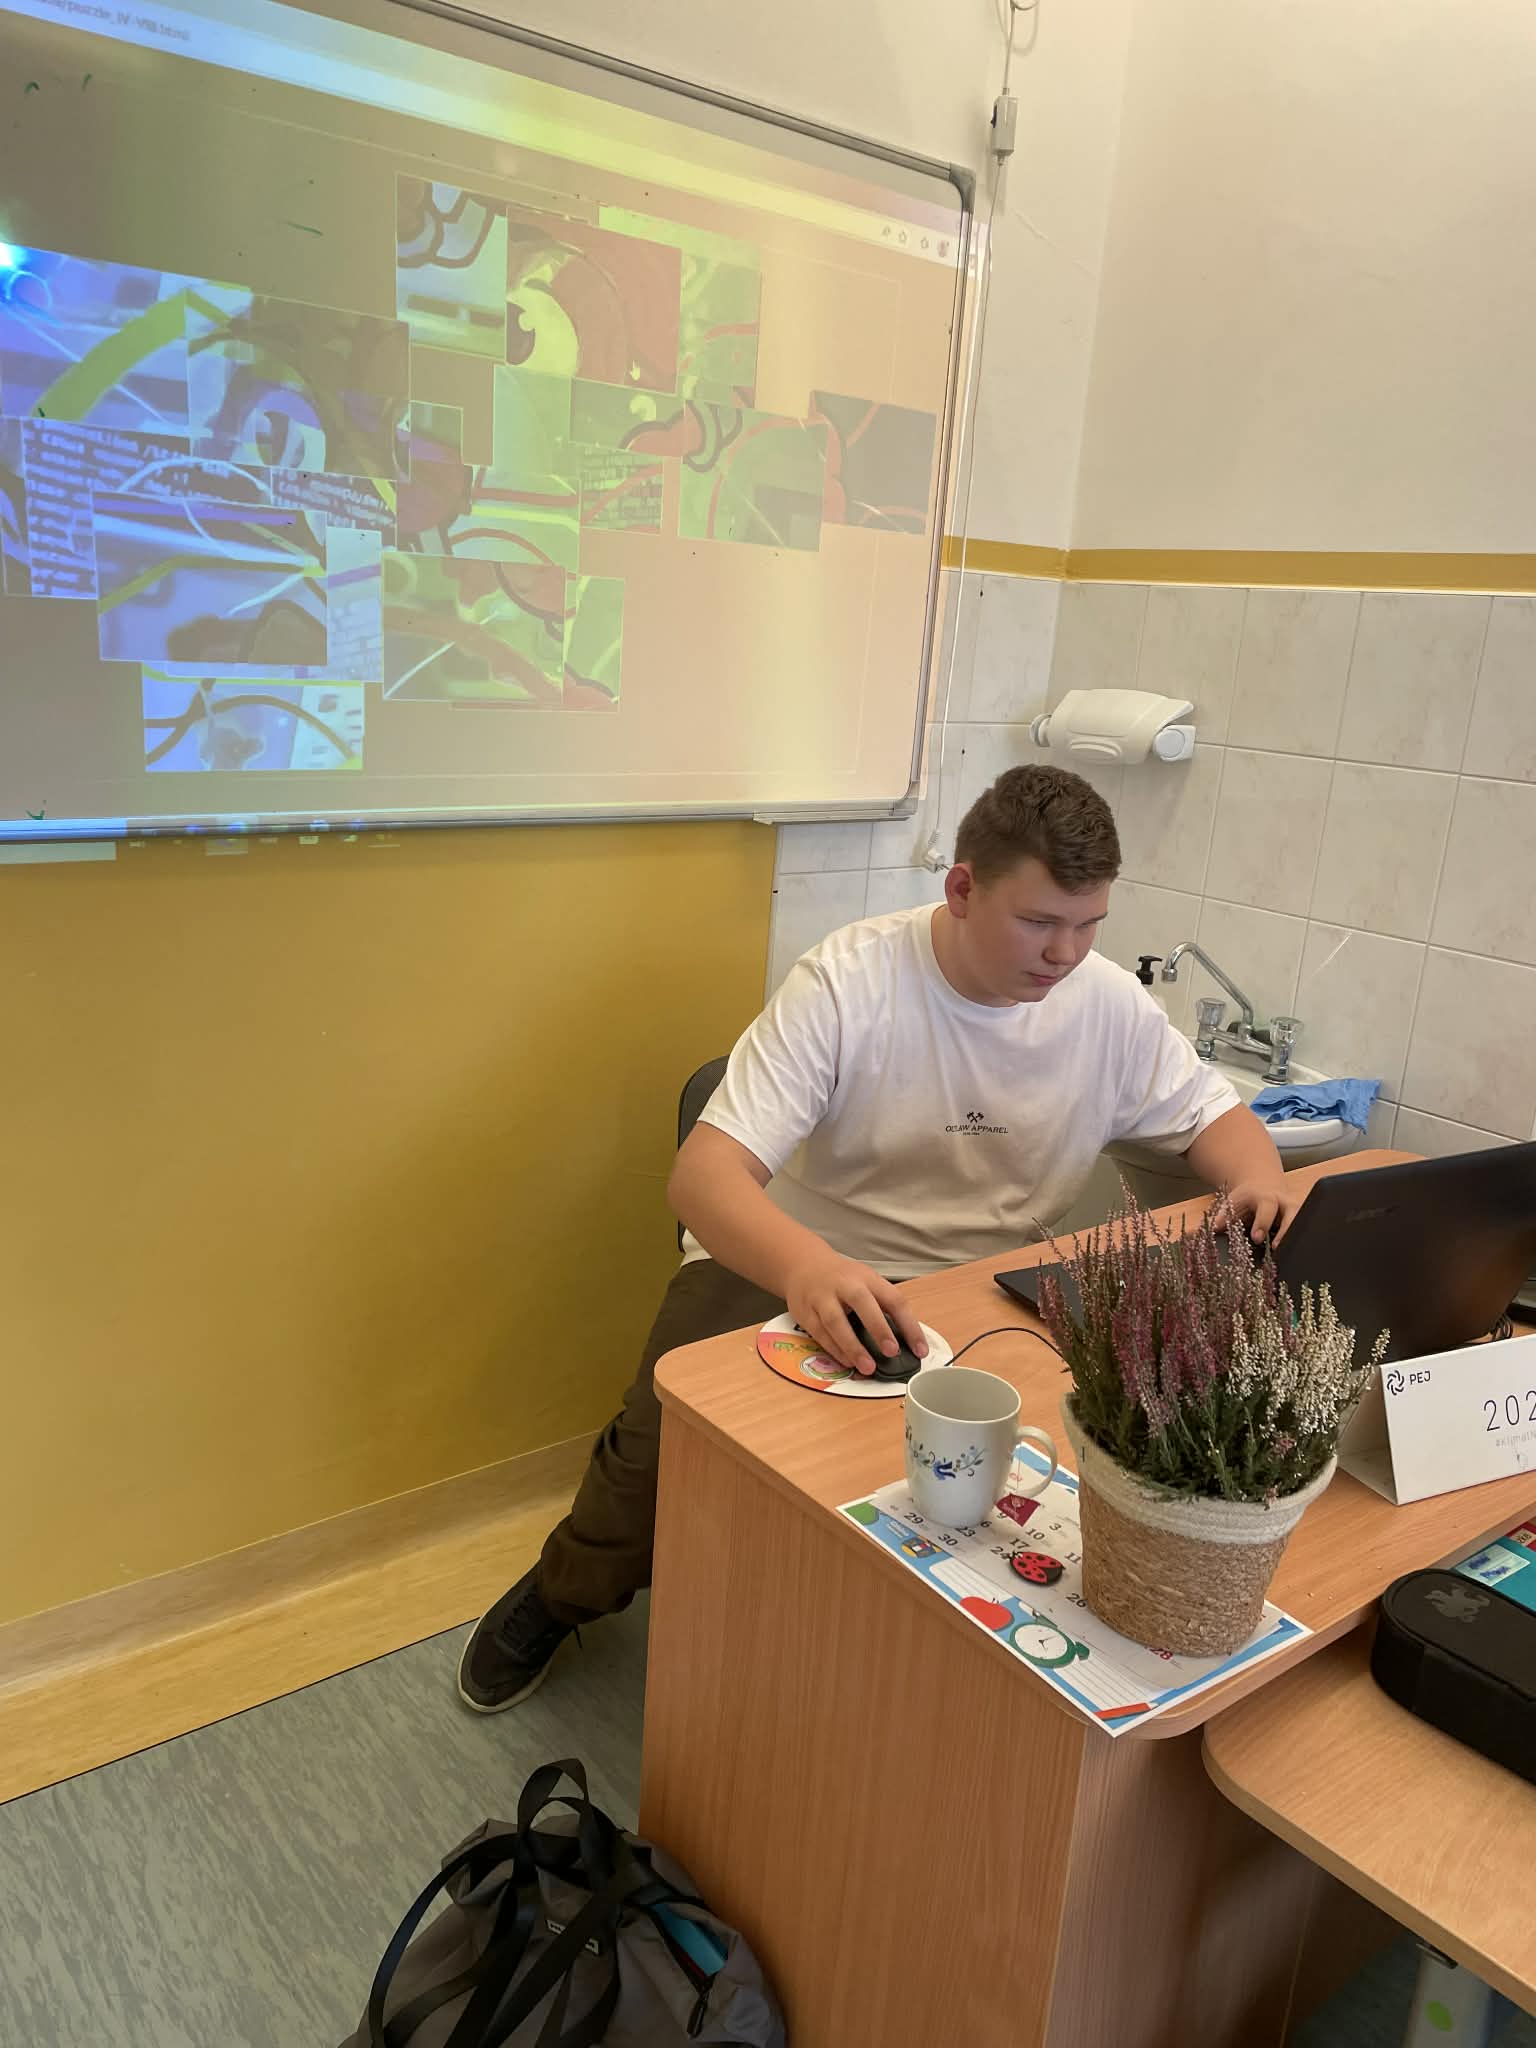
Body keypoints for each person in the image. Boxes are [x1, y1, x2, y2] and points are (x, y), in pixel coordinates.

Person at [456, 764, 1298, 1712]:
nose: (1065, 953)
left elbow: (1217, 1120)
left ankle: (895, 1676)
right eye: (1038, 922)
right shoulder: (848, 980)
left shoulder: (1107, 1003)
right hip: (794, 1257)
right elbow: (703, 1180)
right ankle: (566, 1590)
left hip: (984, 1284)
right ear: (963, 887)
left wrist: (1257, 1180)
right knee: (664, 1448)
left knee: (1069, 1460)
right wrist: (809, 1268)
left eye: (1088, 924)